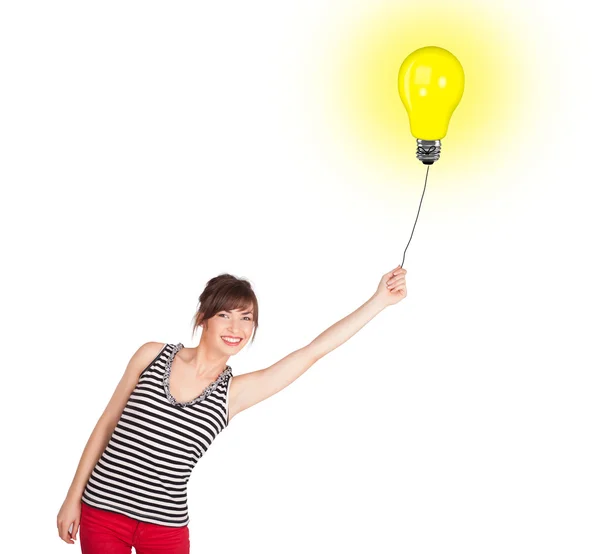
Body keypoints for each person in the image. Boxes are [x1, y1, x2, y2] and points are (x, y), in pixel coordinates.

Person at [56, 265, 408, 552]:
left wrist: (378, 301)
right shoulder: (152, 354)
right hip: (102, 511)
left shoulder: (234, 393)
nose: (236, 328)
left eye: (247, 318)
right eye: (225, 314)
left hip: (164, 526)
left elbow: (312, 351)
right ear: (204, 317)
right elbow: (107, 424)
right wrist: (72, 498)